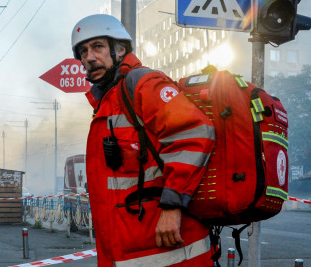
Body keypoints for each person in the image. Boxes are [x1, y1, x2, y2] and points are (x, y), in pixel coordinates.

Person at [71, 14, 216, 266]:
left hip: (170, 250)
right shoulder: (107, 103)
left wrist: (172, 207)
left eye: (97, 47)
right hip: (131, 250)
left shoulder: (143, 85)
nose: (89, 57)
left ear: (119, 49)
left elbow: (194, 132)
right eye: (83, 51)